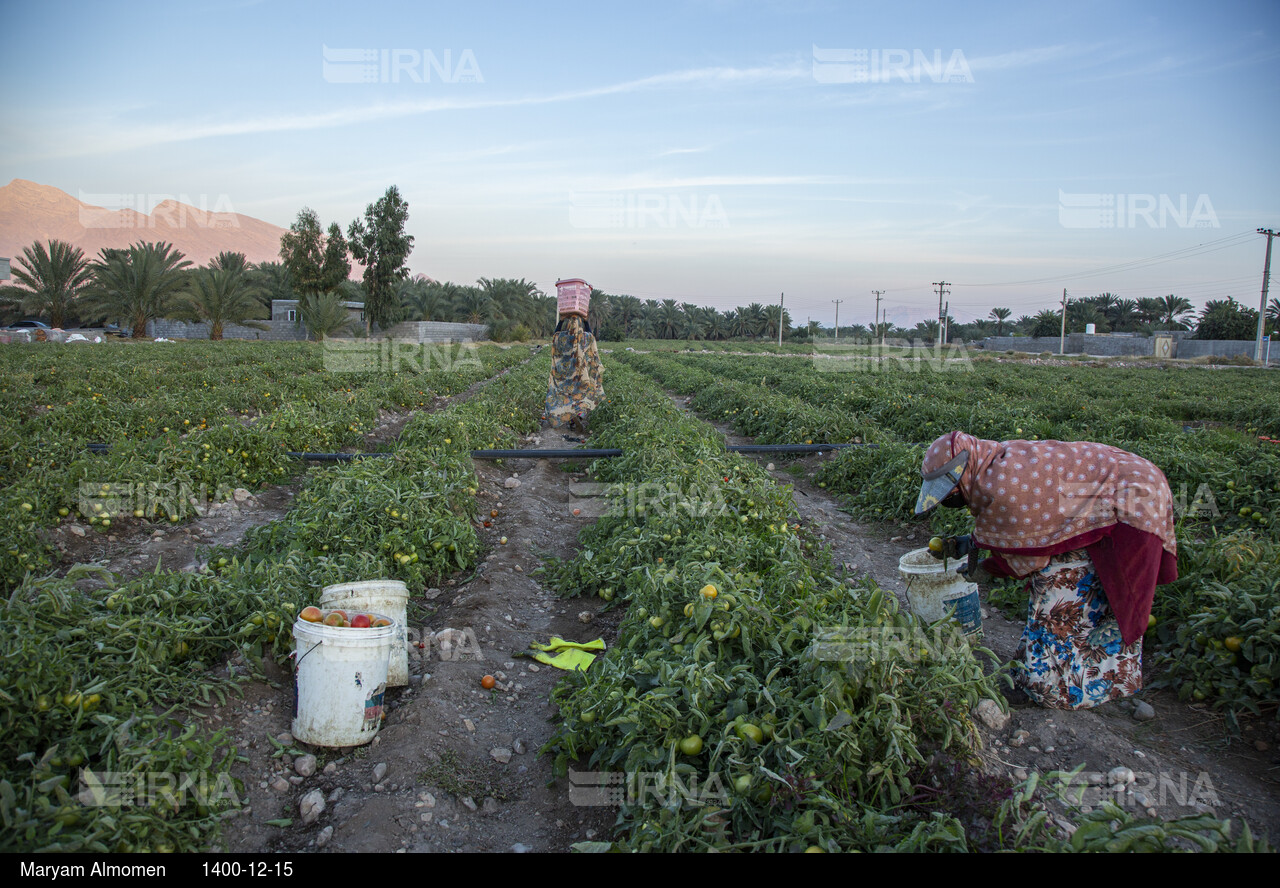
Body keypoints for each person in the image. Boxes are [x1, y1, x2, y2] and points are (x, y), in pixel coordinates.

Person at [915, 431, 1178, 710]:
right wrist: (968, 544)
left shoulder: (1003, 486)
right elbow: (1039, 520)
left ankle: (1050, 687)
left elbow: (1030, 558)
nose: (952, 495)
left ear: (965, 472)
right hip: (1100, 499)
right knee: (1070, 586)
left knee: (1062, 591)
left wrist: (983, 569)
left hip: (1133, 499)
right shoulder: (992, 464)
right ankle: (1044, 672)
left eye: (952, 488)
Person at [544, 314, 603, 432]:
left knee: (566, 395)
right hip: (581, 375)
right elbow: (591, 335)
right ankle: (578, 416)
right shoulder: (584, 337)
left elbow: (555, 336)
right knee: (581, 395)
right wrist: (586, 322)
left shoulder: (563, 337)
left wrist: (561, 321)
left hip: (565, 374)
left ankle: (570, 418)